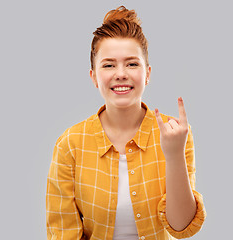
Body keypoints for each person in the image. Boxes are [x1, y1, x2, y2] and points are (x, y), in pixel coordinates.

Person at [46, 6, 206, 240]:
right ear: (93, 77)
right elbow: (63, 234)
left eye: (132, 64)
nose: (120, 74)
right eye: (108, 65)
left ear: (148, 73)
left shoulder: (177, 133)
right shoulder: (70, 144)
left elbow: (181, 227)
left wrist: (173, 154)